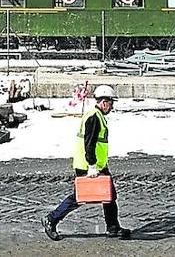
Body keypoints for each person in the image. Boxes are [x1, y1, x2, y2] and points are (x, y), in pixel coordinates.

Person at [43, 84, 131, 240]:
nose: (112, 107)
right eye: (111, 103)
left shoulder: (97, 116)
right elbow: (89, 144)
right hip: (88, 165)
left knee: (110, 196)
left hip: (98, 165)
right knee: (80, 197)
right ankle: (51, 219)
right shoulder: (93, 117)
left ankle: (113, 227)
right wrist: (91, 166)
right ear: (104, 102)